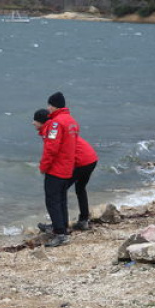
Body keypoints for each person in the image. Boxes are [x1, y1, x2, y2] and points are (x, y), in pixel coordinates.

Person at [33, 108, 98, 231]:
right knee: (79, 189)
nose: (32, 123)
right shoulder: (58, 127)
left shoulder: (53, 130)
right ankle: (83, 219)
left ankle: (59, 226)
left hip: (81, 161)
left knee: (57, 194)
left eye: (35, 120)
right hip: (91, 158)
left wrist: (44, 167)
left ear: (41, 121)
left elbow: (52, 150)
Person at [37, 92, 79, 247]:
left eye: (49, 105)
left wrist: (43, 166)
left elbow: (51, 148)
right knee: (61, 200)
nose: (48, 108)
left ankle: (60, 233)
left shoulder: (56, 123)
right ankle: (62, 228)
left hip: (56, 169)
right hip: (68, 168)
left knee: (53, 201)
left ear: (54, 105)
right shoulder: (72, 122)